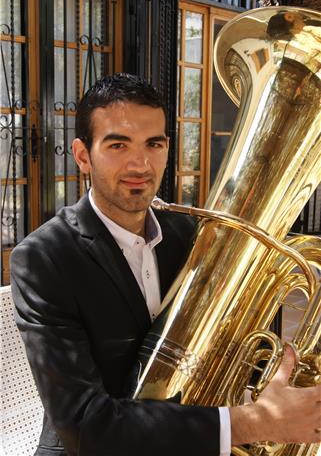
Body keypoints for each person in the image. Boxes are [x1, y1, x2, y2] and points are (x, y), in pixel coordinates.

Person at [10, 73, 321, 456]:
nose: (140, 164)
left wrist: (284, 383)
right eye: (118, 145)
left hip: (194, 440)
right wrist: (254, 422)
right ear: (82, 155)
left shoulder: (190, 232)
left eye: (153, 144)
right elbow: (85, 425)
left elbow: (226, 348)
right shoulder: (43, 259)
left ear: (167, 148)